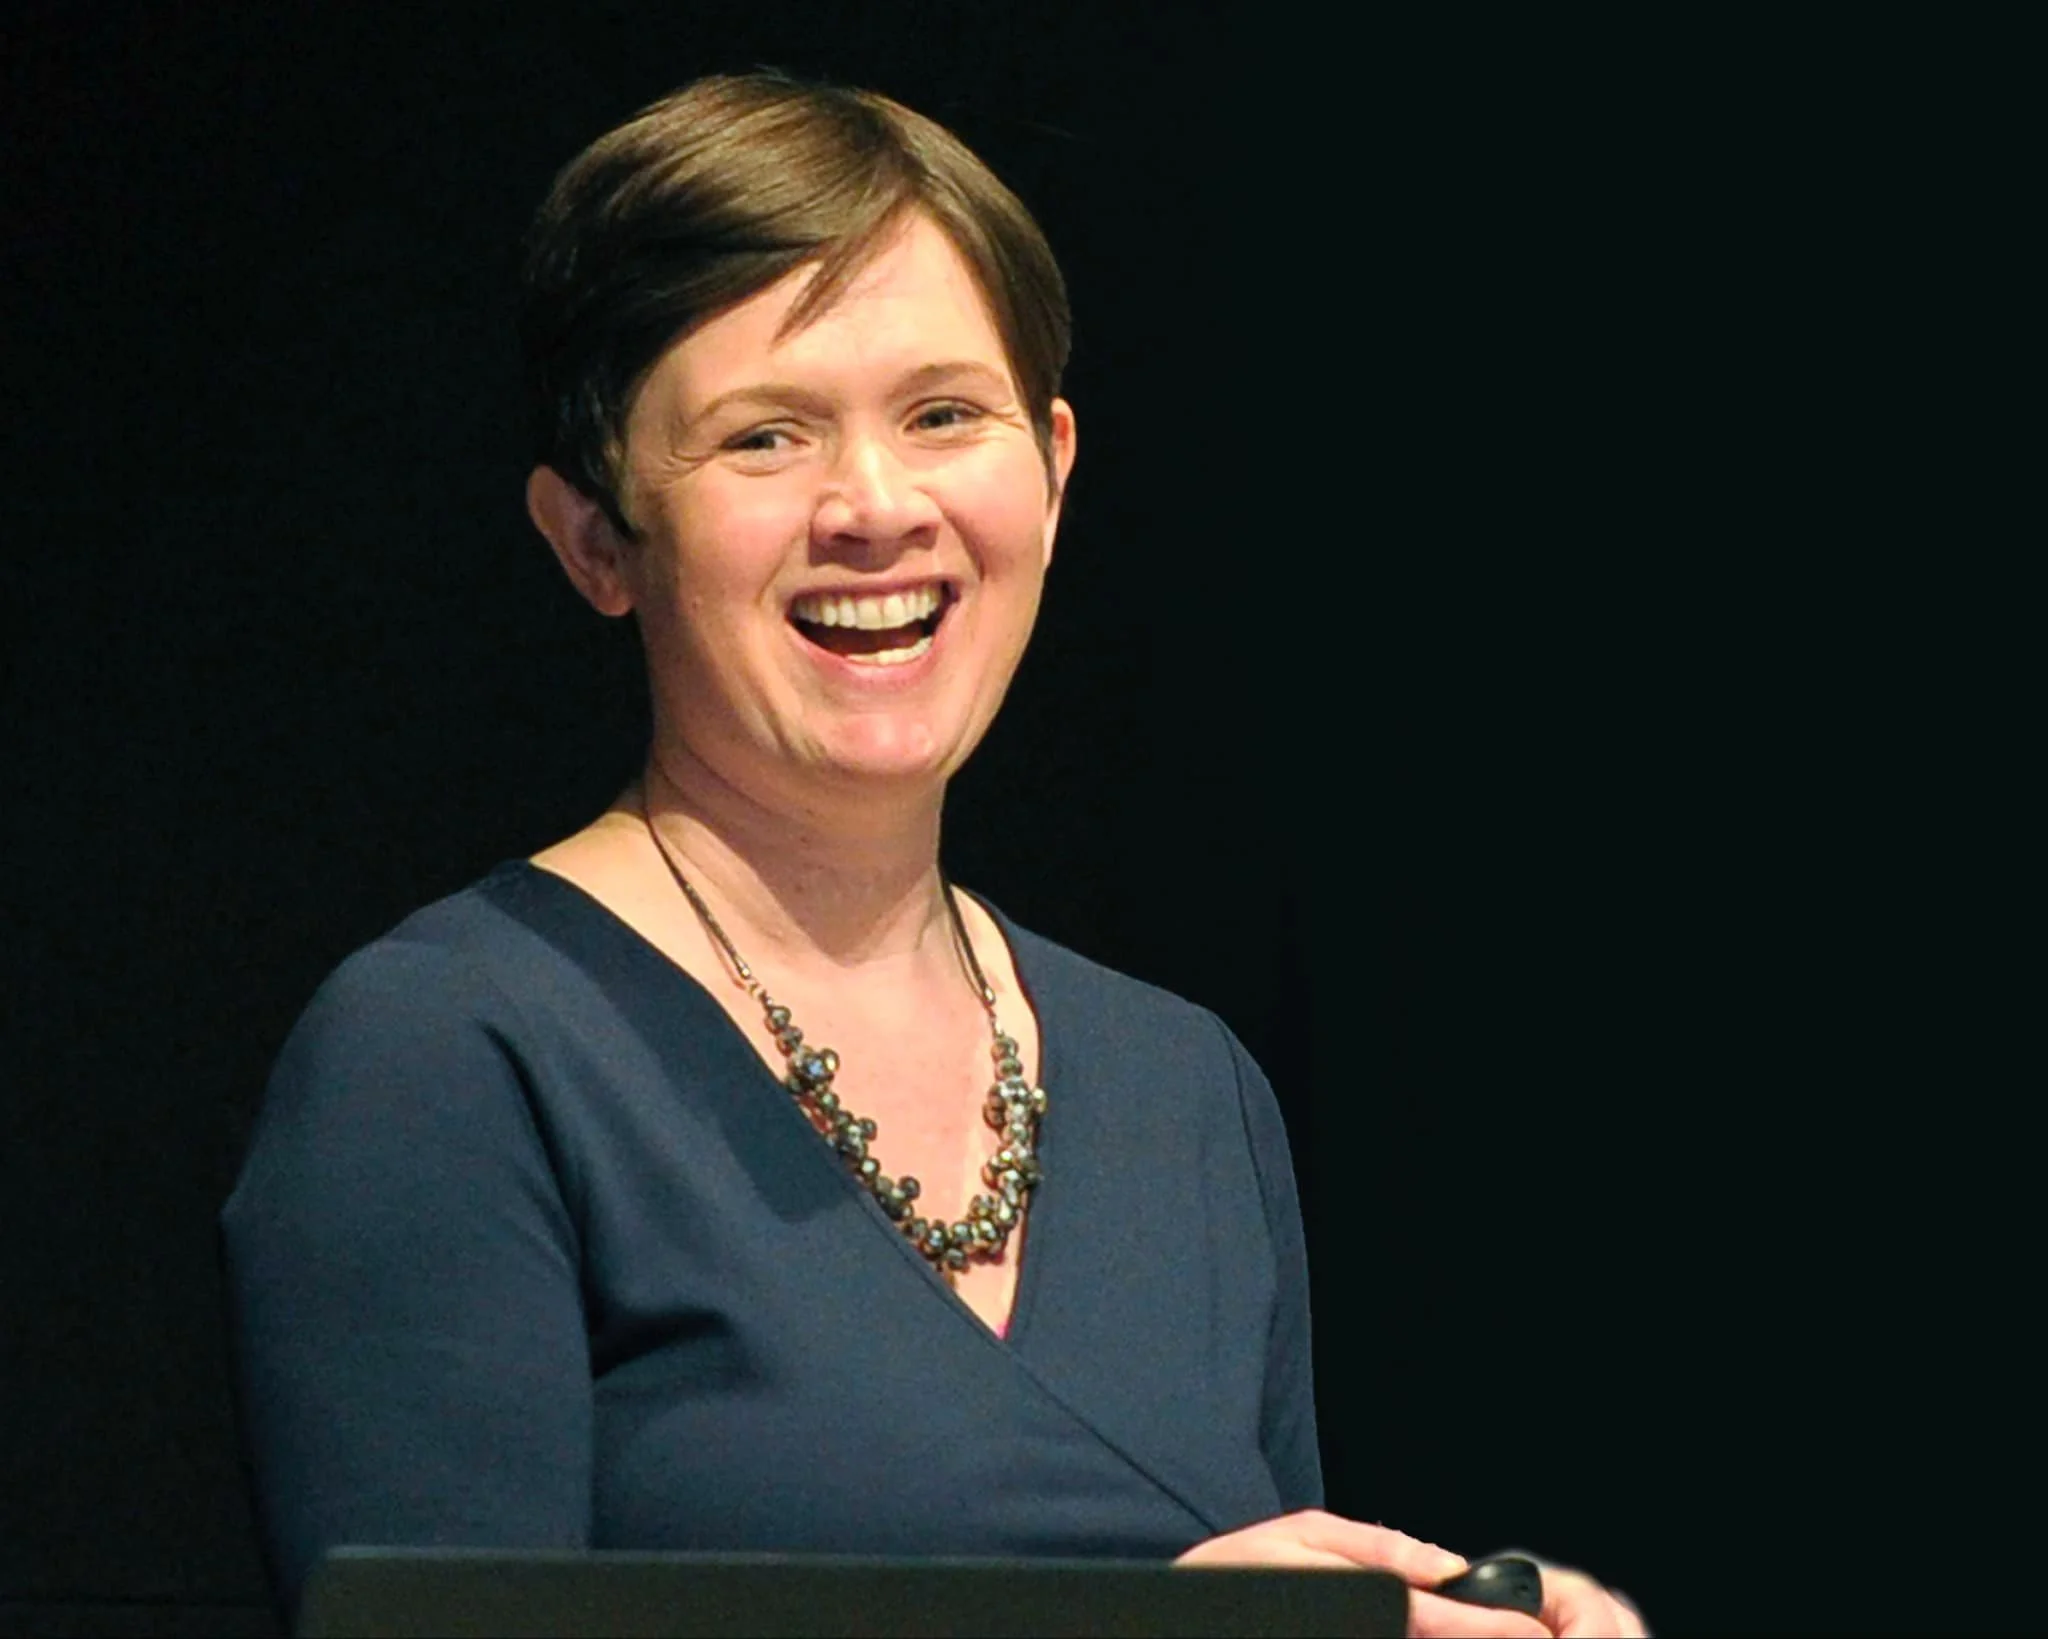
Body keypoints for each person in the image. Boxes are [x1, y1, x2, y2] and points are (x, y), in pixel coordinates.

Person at [220, 73, 1645, 1637]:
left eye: (944, 415)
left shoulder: (1189, 1094)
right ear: (596, 541)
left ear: (1055, 469)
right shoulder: (448, 1055)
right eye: (765, 436)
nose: (875, 506)